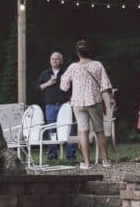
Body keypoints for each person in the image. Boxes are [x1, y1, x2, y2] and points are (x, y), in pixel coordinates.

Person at [60, 40, 115, 170]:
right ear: (89, 51)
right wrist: (111, 97)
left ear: (78, 53)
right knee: (99, 131)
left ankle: (86, 163)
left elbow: (63, 85)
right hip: (94, 101)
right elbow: (106, 84)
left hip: (78, 103)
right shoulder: (97, 65)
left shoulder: (73, 67)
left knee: (83, 132)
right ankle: (105, 161)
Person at [37, 51, 76, 161]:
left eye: (57, 59)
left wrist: (71, 100)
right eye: (52, 59)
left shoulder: (66, 72)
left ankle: (71, 156)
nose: (54, 60)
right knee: (51, 130)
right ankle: (52, 155)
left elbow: (75, 87)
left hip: (65, 105)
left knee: (70, 129)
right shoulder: (45, 73)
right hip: (50, 106)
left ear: (61, 61)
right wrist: (48, 83)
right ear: (50, 61)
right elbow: (37, 88)